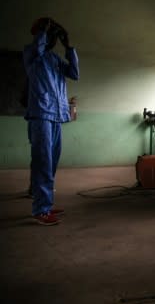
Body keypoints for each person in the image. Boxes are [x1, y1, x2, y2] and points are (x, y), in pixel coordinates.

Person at [23, 17, 79, 226]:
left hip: (56, 116)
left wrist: (68, 47)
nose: (52, 40)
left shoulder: (55, 59)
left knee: (51, 162)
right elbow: (37, 47)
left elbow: (74, 73)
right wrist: (43, 31)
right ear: (41, 36)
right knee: (43, 162)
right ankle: (40, 209)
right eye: (50, 35)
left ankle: (45, 203)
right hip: (40, 114)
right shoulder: (31, 54)